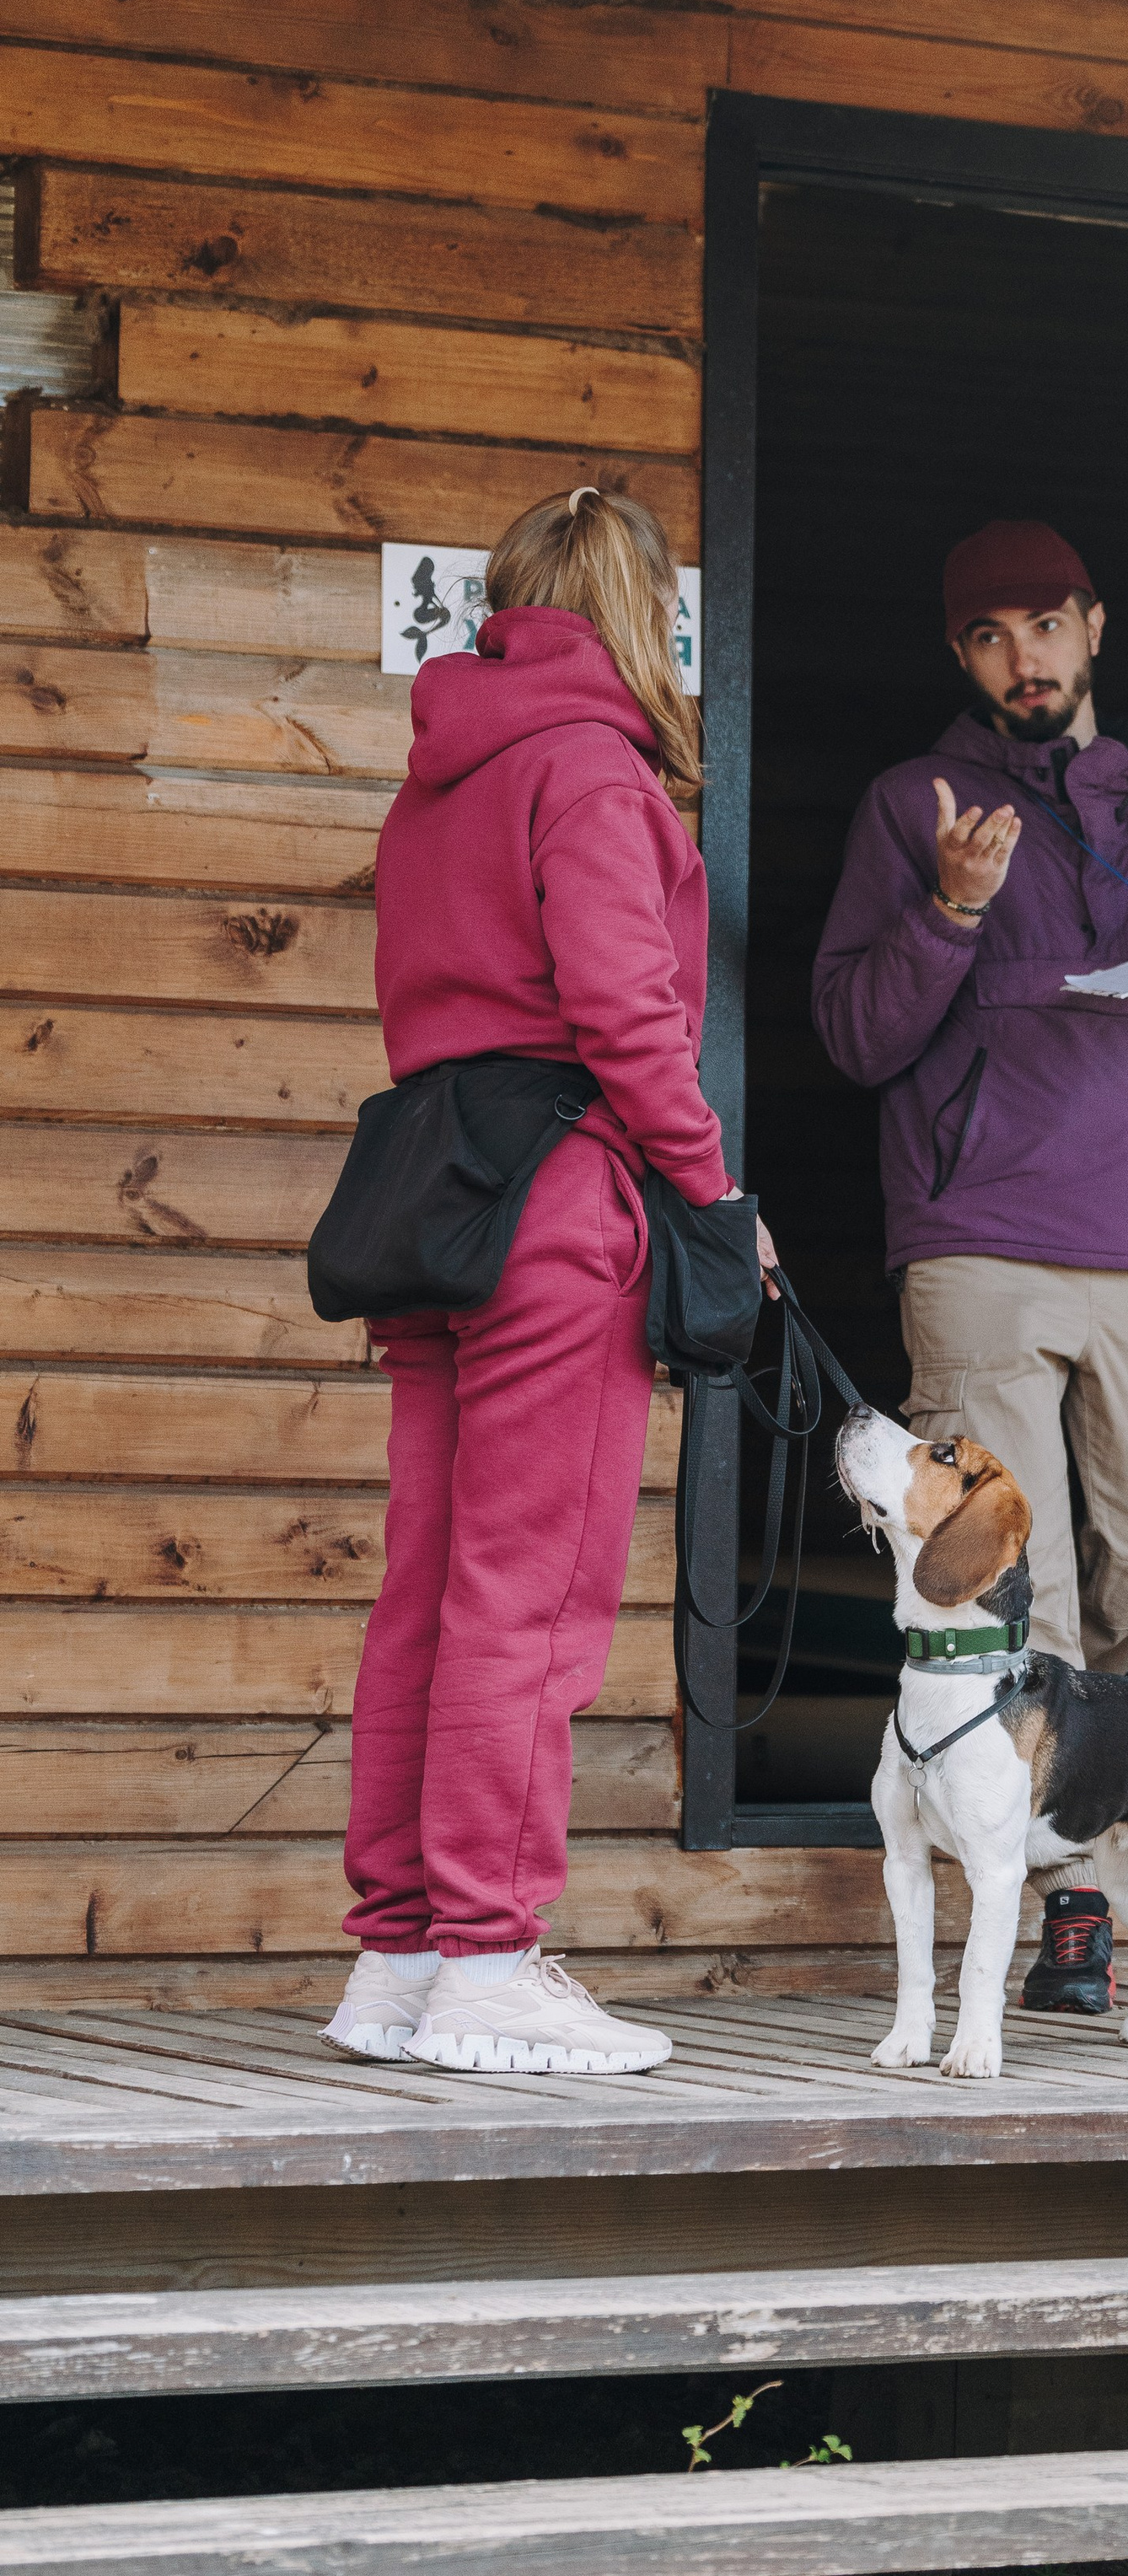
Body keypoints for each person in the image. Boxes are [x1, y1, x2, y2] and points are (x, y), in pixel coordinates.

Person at [324, 487, 774, 2078]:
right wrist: (712, 1190)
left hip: (439, 1202)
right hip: (560, 1208)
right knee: (535, 1588)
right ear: (648, 614)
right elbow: (624, 1010)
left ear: (508, 600)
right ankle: (494, 1954)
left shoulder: (435, 775)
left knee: (430, 1590)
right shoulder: (593, 768)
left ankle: (399, 1953)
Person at [813, 519, 1128, 2017]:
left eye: (1046, 625)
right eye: (991, 635)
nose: (1025, 655)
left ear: (1093, 627)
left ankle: (1061, 1787)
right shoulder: (910, 805)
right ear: (964, 657)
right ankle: (1063, 1903)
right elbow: (855, 1037)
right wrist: (947, 906)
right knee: (1025, 1575)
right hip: (976, 1234)